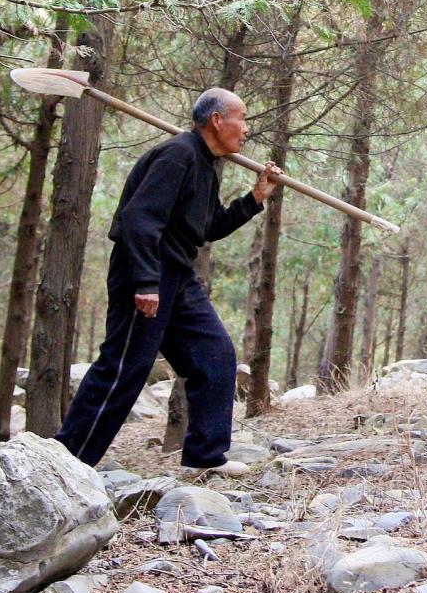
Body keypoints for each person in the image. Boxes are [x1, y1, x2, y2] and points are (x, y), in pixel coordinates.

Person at [55, 87, 281, 476]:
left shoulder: (204, 164)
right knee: (124, 367)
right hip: (145, 270)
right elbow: (138, 220)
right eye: (242, 119)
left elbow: (208, 227)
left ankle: (205, 457)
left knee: (214, 355)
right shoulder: (177, 155)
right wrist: (145, 282)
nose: (246, 129)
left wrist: (255, 198)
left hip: (178, 275)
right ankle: (66, 461)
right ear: (216, 120)